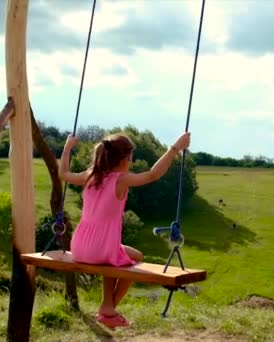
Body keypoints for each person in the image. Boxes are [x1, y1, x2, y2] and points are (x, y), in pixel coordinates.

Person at [59, 131, 191, 329]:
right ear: (125, 158)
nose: (132, 160)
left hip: (79, 246)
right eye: (131, 157)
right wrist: (175, 148)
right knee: (130, 258)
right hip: (102, 247)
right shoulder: (121, 179)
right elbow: (153, 174)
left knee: (124, 255)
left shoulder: (90, 176)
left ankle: (108, 307)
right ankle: (108, 308)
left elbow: (63, 174)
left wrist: (67, 148)